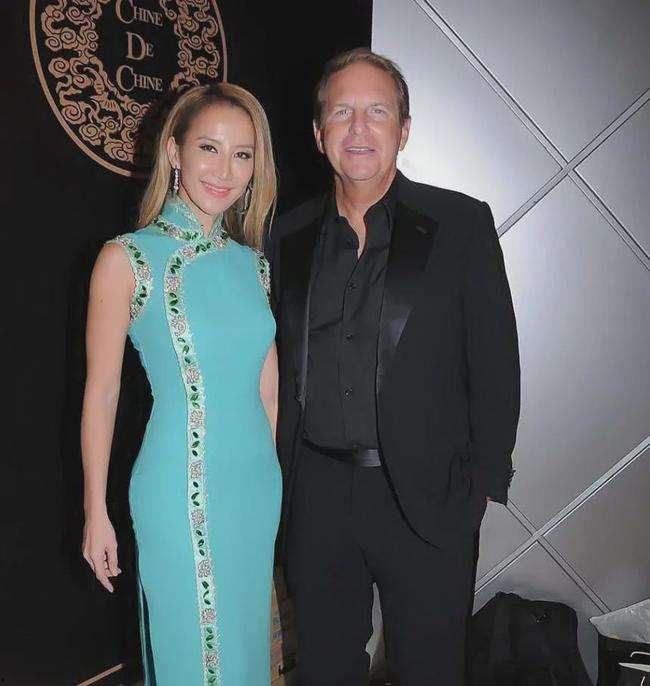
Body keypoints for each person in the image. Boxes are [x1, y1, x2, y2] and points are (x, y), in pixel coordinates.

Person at [269, 48, 520, 685]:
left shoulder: (461, 224)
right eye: (342, 112)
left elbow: (495, 362)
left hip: (429, 496)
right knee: (324, 670)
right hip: (317, 494)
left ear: (403, 130)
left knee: (430, 670)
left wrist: (481, 486)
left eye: (377, 112)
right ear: (318, 132)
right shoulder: (285, 236)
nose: (359, 128)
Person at [81, 83, 281, 685]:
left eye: (242, 154)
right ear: (174, 151)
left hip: (254, 491)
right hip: (179, 488)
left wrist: (267, 474)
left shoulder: (253, 264)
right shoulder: (127, 258)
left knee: (243, 654)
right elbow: (102, 393)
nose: (225, 170)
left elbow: (266, 383)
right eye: (209, 148)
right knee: (192, 660)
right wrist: (95, 510)